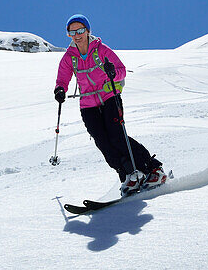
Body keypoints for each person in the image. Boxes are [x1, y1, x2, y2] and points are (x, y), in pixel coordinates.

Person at [54, 15, 167, 196]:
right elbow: (63, 77)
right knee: (103, 142)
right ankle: (129, 176)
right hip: (88, 105)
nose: (77, 35)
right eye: (72, 32)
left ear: (88, 31)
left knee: (117, 136)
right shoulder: (69, 57)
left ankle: (154, 170)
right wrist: (60, 89)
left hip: (109, 97)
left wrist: (113, 72)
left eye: (80, 30)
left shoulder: (101, 49)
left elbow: (121, 70)